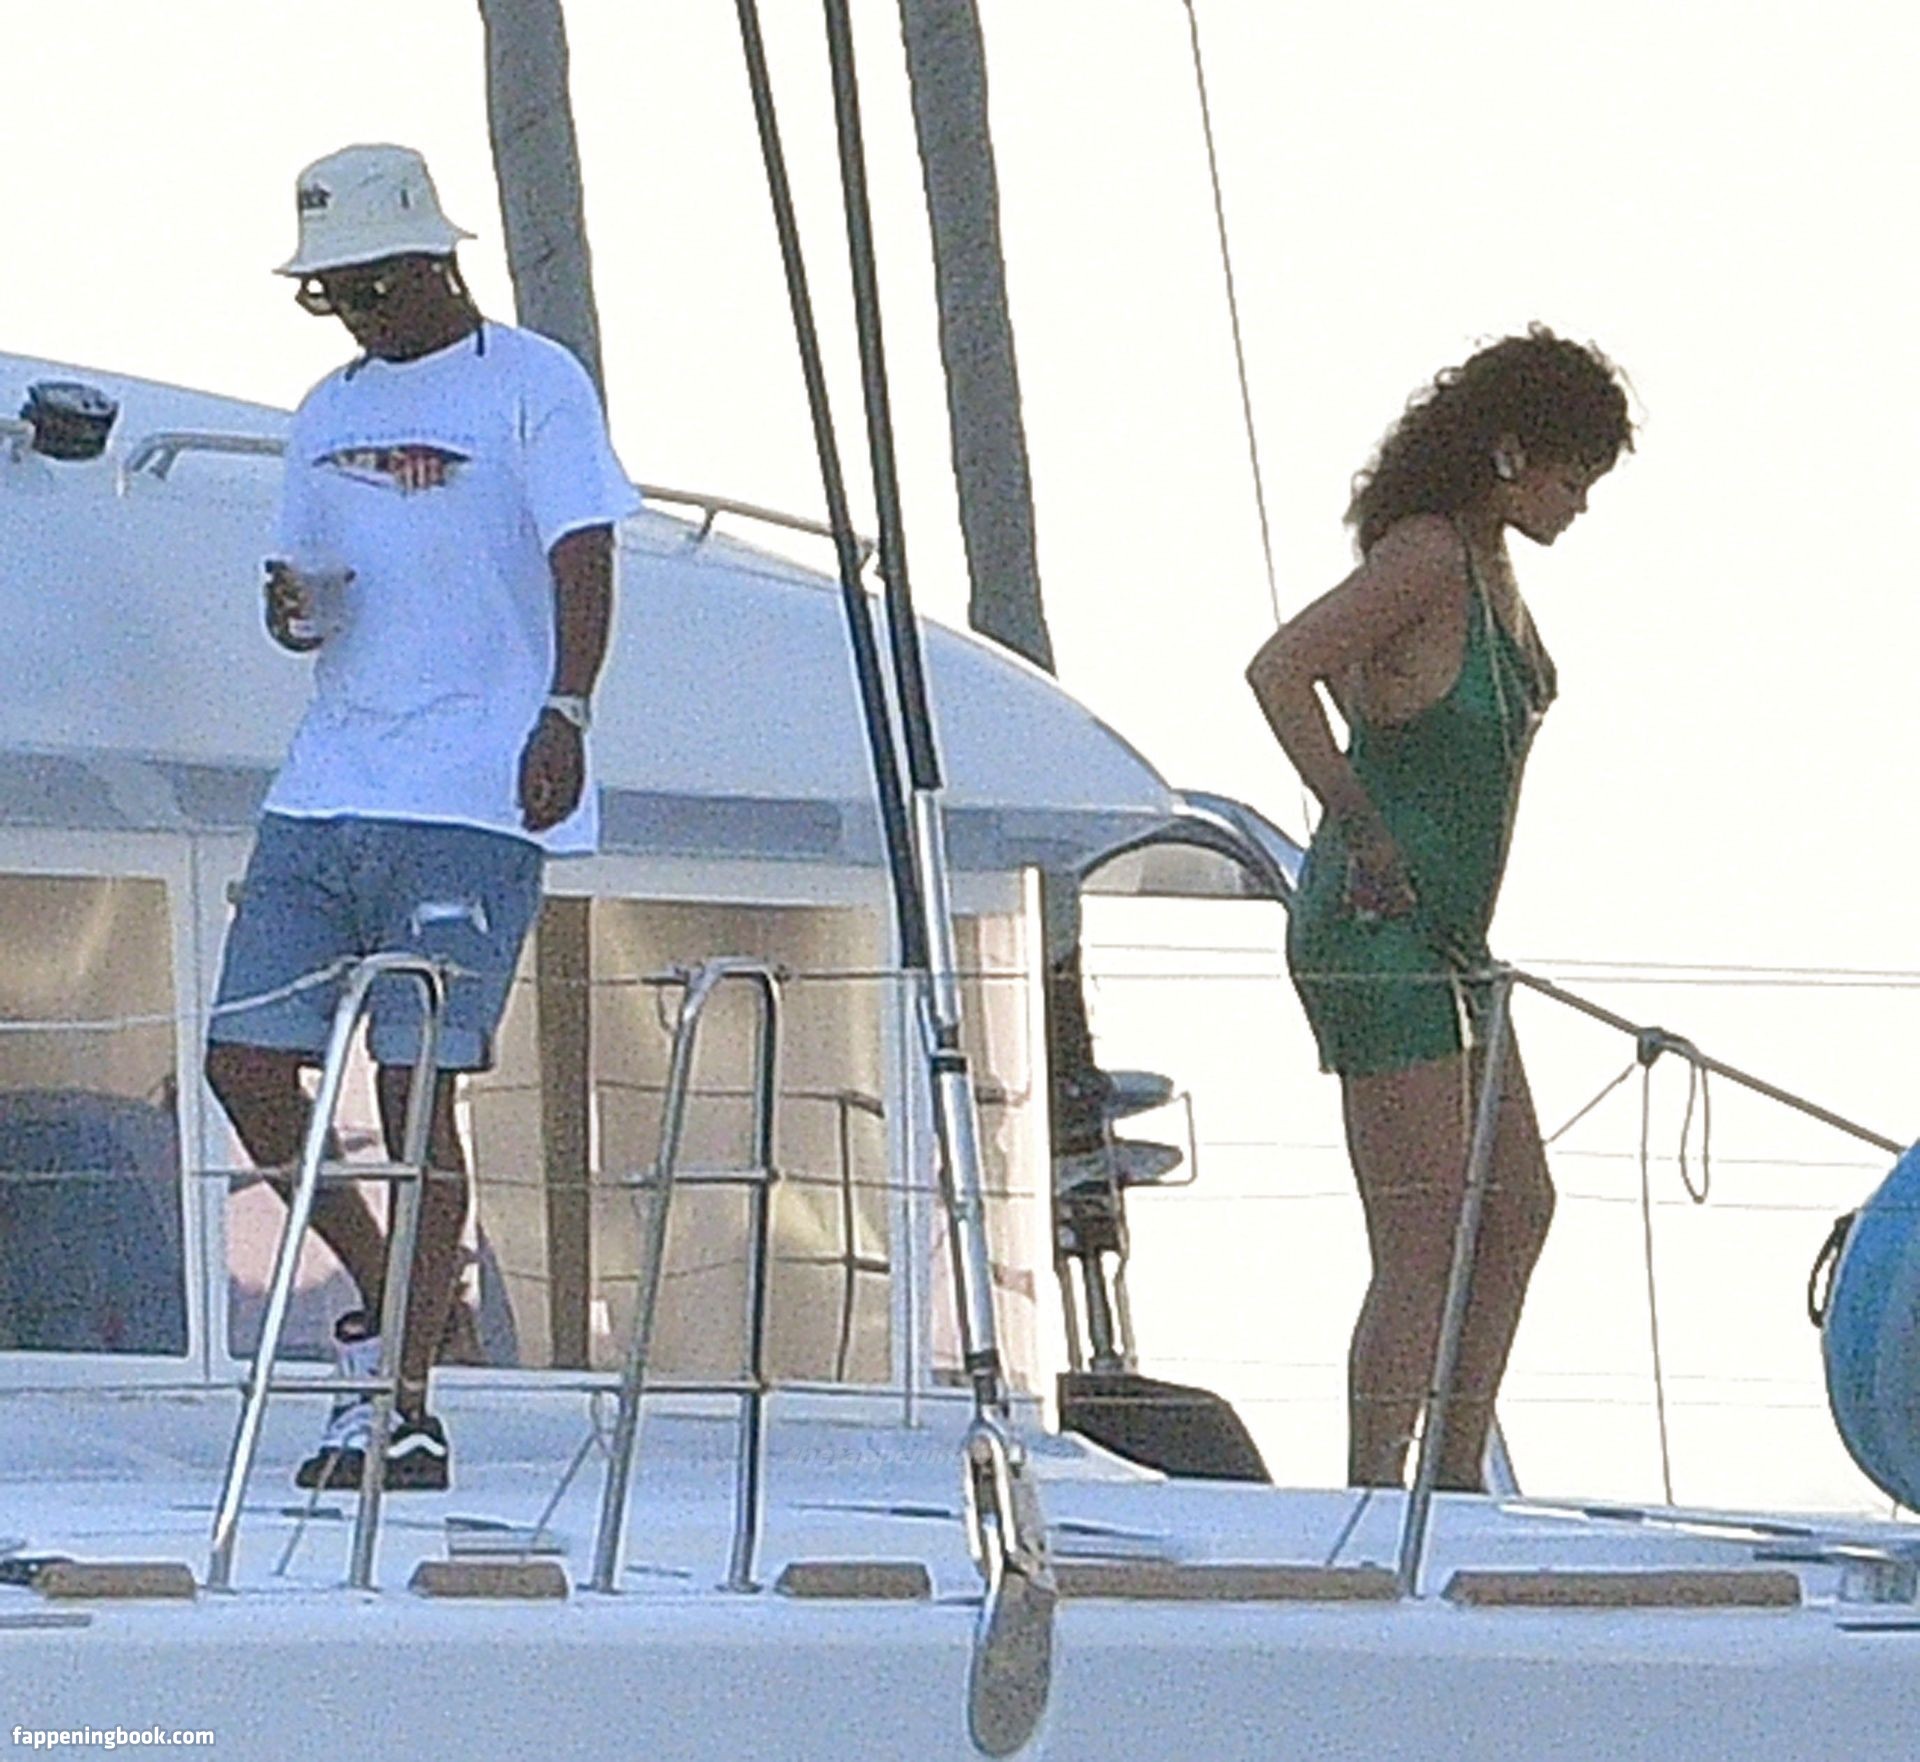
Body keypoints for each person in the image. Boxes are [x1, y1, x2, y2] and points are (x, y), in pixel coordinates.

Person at [204, 143, 637, 1491]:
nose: (354, 313)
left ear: (433, 264)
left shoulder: (532, 383)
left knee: (416, 1087)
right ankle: (399, 1286)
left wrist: (564, 709)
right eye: (329, 293)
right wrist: (292, 612)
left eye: (371, 286)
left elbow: (585, 547)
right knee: (243, 1062)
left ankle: (401, 1395)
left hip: (474, 790)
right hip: (326, 780)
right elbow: (302, 582)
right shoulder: (323, 410)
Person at [1245, 326, 1632, 1490]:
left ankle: (1456, 1478)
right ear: (1513, 456)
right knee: (1421, 1235)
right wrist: (1361, 819)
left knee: (1517, 1205)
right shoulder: (1425, 557)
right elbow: (1281, 667)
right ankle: (1376, 1490)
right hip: (1379, 925)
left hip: (1455, 937)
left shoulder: (1490, 565)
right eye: (1572, 478)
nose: (1579, 505)